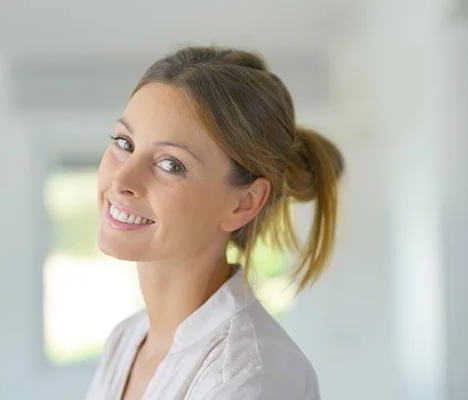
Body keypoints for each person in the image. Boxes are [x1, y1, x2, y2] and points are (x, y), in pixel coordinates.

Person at [85, 45, 344, 400]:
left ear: (244, 203)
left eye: (170, 164)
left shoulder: (254, 377)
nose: (122, 181)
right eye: (124, 143)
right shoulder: (126, 340)